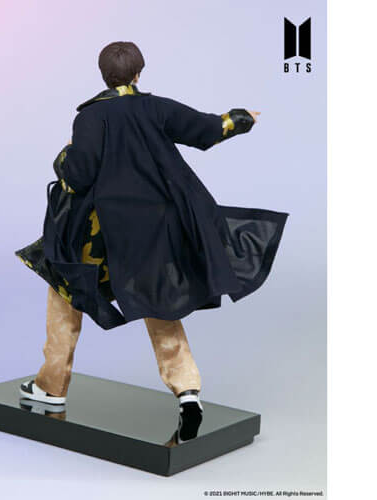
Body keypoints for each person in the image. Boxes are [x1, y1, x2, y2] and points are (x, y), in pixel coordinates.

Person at [16, 41, 287, 439]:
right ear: (139, 74)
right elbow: (207, 130)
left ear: (103, 75)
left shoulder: (90, 117)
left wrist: (62, 158)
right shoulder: (156, 107)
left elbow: (79, 174)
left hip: (100, 237)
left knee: (65, 293)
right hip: (155, 231)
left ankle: (51, 387)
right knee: (161, 303)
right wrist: (241, 118)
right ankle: (187, 392)